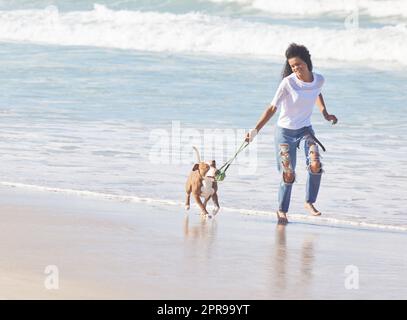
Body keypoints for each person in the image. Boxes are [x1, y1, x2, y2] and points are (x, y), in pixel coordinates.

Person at [245, 43, 338, 225]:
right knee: (288, 173)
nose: (296, 68)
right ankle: (282, 210)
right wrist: (255, 130)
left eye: (299, 64)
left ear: (307, 63)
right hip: (285, 133)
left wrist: (325, 113)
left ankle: (309, 202)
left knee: (315, 163)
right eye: (293, 66)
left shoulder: (319, 79)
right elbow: (272, 108)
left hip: (305, 130)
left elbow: (316, 92)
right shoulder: (287, 82)